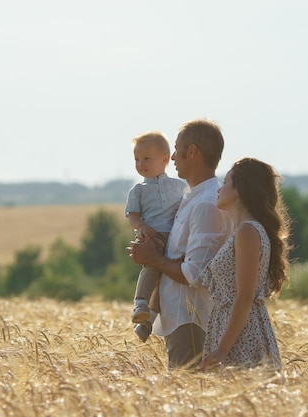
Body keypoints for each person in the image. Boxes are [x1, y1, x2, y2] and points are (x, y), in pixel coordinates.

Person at [128, 119, 232, 369]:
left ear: (193, 151)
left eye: (177, 148)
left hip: (191, 320)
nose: (172, 157)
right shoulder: (191, 197)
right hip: (181, 317)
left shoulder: (205, 205)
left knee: (191, 399)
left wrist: (152, 259)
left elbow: (193, 274)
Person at [199, 157, 291, 371]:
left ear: (240, 189)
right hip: (233, 330)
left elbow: (245, 296)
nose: (219, 189)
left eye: (225, 183)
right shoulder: (244, 230)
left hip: (242, 337)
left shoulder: (247, 231)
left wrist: (222, 349)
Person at [125, 131, 186, 342]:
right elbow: (132, 216)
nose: (140, 163)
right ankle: (140, 303)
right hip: (151, 236)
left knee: (167, 283)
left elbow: (185, 208)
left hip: (175, 237)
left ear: (165, 159)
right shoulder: (138, 190)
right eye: (137, 159)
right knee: (151, 269)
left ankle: (148, 321)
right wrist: (141, 226)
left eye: (146, 158)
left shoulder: (179, 186)